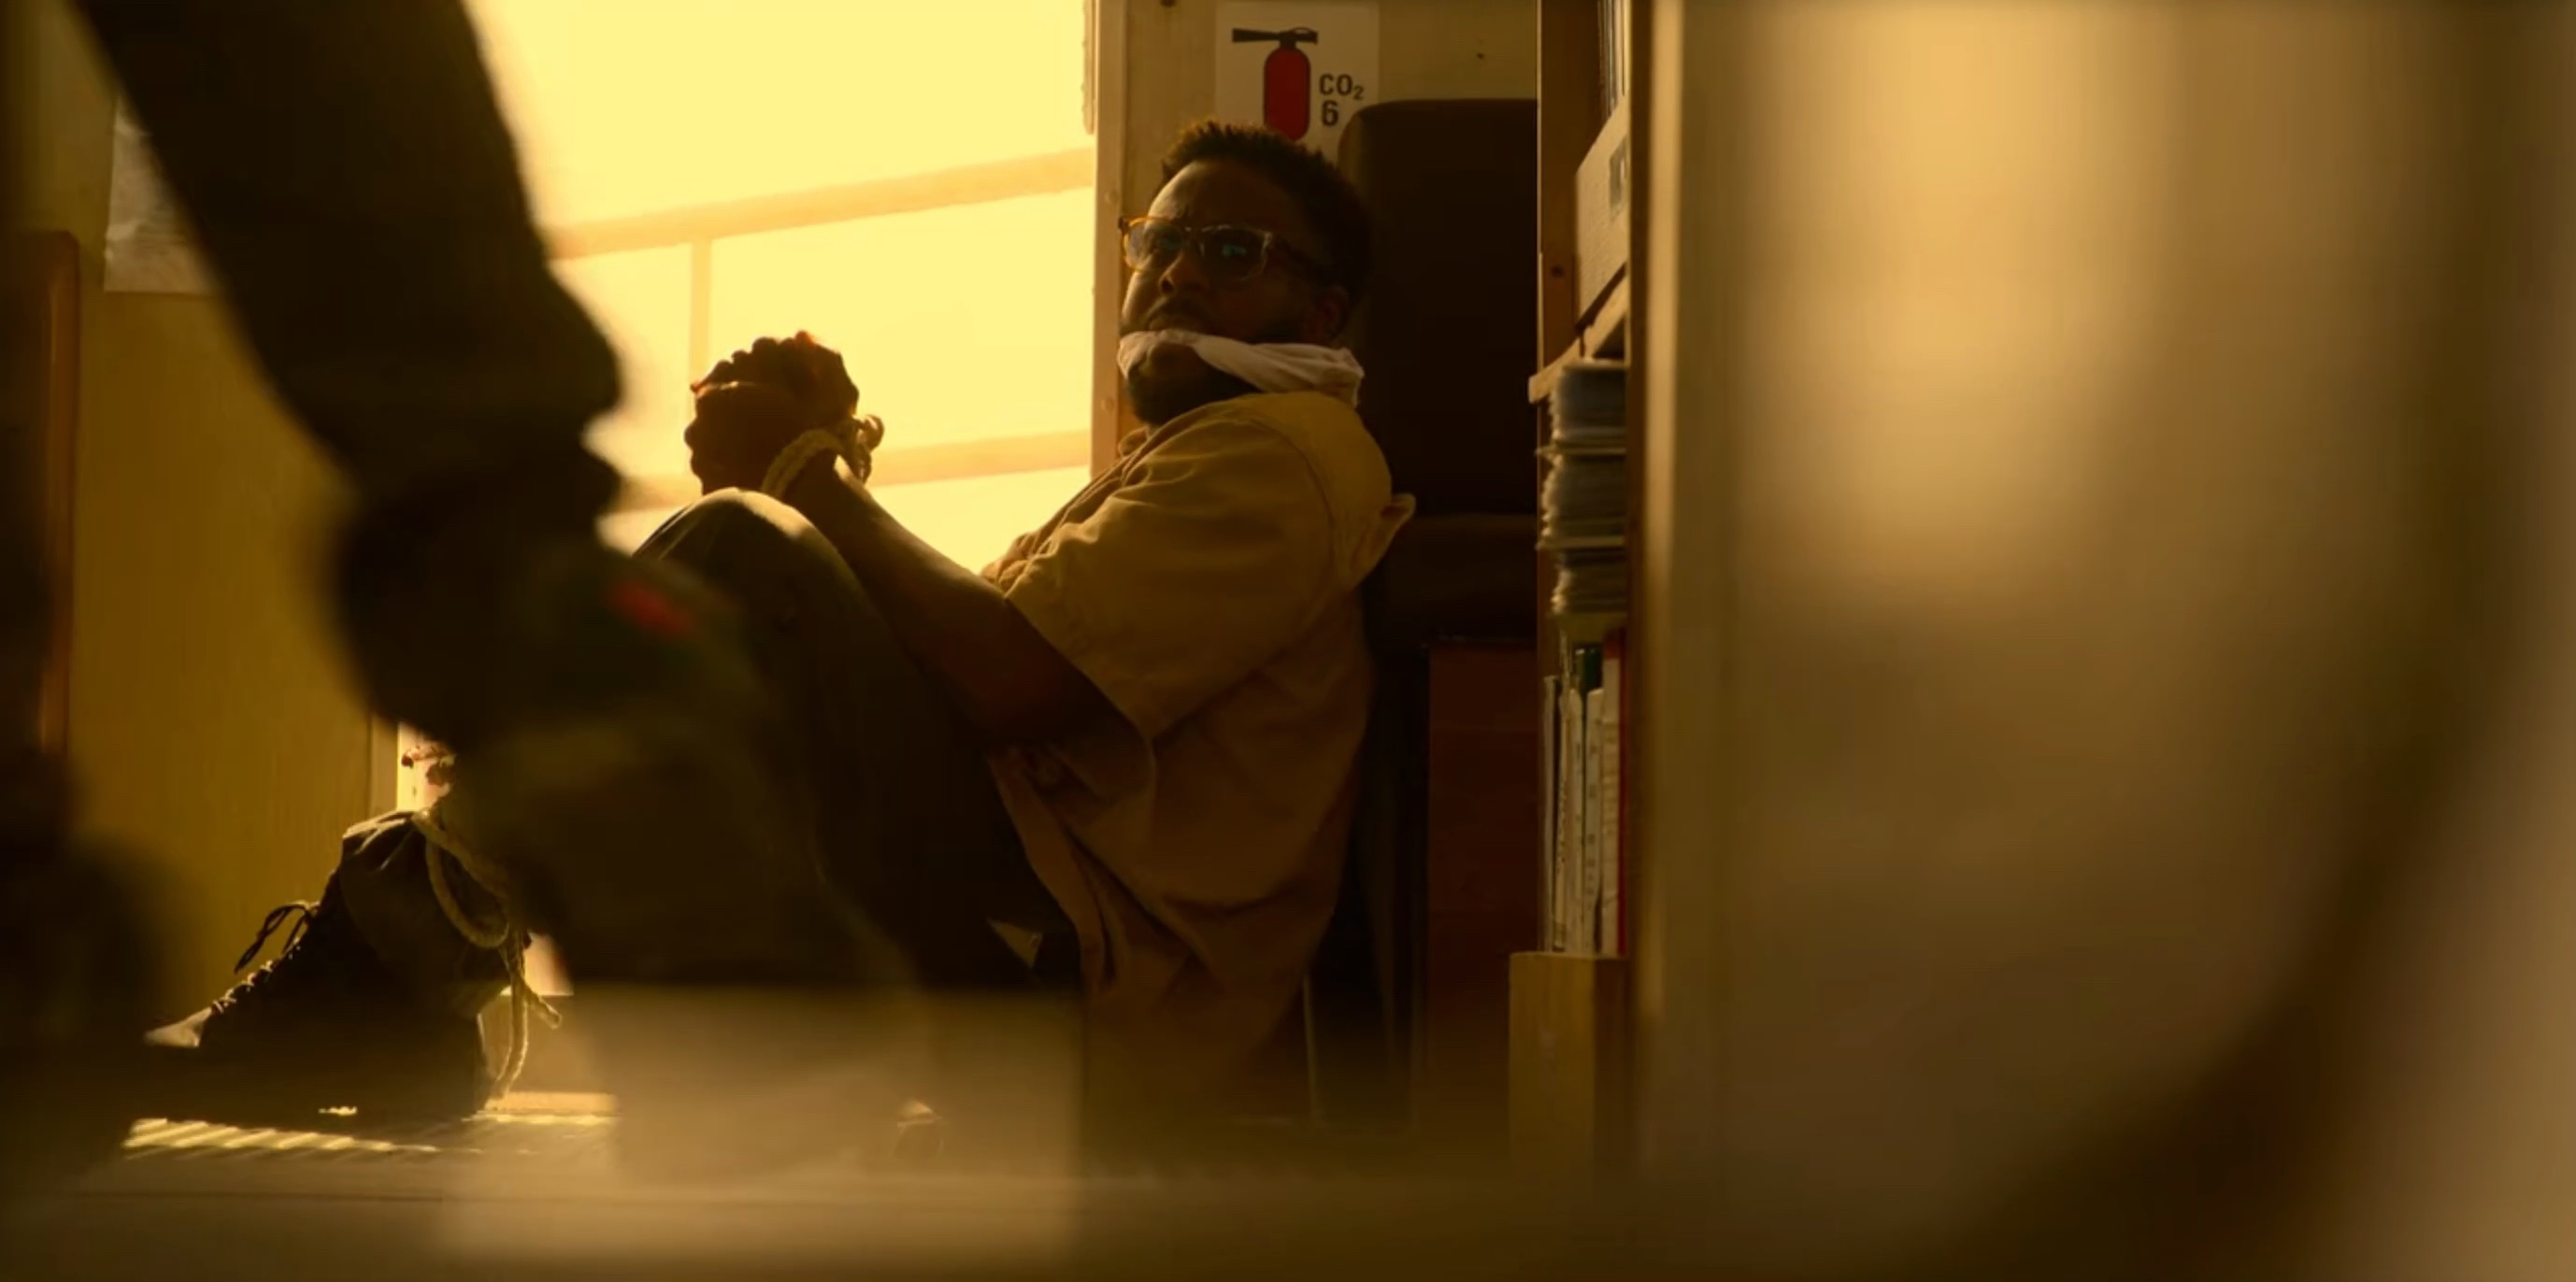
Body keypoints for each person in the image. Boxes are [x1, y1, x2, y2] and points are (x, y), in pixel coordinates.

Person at [139, 120, 1413, 1133]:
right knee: (733, 585)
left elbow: (1014, 687)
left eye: (1232, 252)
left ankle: (389, 970)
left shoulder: (1287, 456)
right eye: (1162, 241)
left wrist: (801, 481)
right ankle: (418, 975)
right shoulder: (1203, 456)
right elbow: (954, 665)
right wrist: (827, 474)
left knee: (739, 551)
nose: (1177, 272)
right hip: (1040, 941)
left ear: (1319, 313)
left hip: (1083, 999)